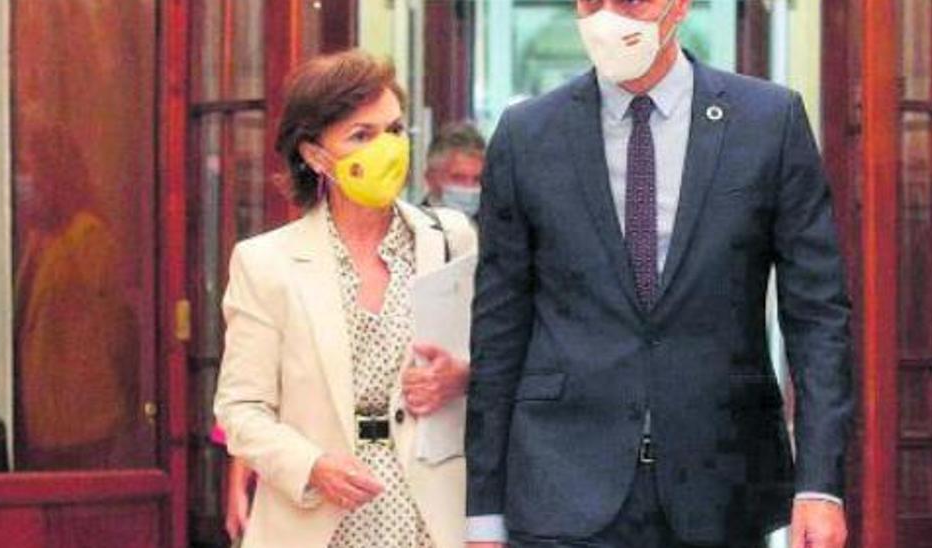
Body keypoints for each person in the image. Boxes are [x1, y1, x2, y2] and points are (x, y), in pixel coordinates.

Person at [464, 1, 853, 547]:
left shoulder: (768, 121)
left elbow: (817, 319)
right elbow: (497, 331)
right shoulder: (527, 134)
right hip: (560, 483)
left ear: (680, 6)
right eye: (591, 2)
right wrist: (483, 513)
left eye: (628, 0)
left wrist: (820, 485)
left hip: (722, 481)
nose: (607, 16)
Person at [214, 50, 477, 548]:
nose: (388, 149)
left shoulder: (451, 239)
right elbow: (241, 409)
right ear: (316, 155)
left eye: (395, 131)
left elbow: (500, 358)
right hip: (318, 513)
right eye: (362, 135)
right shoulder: (267, 262)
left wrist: (462, 376)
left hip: (430, 515)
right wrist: (311, 466)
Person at [422, 122, 486, 219]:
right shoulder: (411, 228)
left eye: (477, 179)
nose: (469, 188)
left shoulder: (494, 228)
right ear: (430, 179)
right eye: (458, 178)